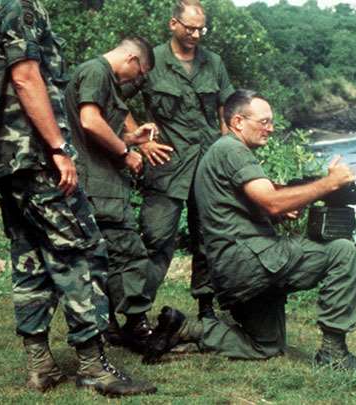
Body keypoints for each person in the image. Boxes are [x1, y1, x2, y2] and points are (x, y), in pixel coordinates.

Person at [0, 0, 155, 396]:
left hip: (3, 157)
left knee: (31, 257)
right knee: (83, 249)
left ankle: (41, 366)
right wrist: (56, 148)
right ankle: (92, 366)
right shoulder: (19, 6)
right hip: (32, 154)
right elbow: (26, 77)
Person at [180, 89, 356, 375]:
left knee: (266, 345)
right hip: (249, 262)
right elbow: (272, 202)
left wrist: (279, 208)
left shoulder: (221, 151)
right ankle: (334, 354)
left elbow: (238, 207)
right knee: (341, 251)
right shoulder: (232, 150)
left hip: (233, 269)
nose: (270, 129)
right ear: (238, 122)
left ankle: (190, 329)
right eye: (264, 121)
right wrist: (329, 184)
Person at [139, 0, 234, 319]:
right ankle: (134, 313)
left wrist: (227, 141)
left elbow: (227, 106)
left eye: (200, 28)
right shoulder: (151, 60)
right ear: (173, 24)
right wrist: (138, 141)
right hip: (167, 164)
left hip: (207, 164)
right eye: (190, 28)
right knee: (156, 238)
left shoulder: (213, 62)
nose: (196, 34)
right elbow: (113, 99)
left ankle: (206, 308)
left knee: (208, 237)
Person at [64, 37, 161, 350]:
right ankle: (138, 327)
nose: (135, 79)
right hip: (99, 186)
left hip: (99, 185)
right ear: (131, 58)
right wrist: (125, 153)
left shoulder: (96, 73)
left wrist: (131, 137)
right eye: (139, 71)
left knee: (100, 259)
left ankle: (107, 326)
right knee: (130, 253)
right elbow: (90, 122)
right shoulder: (96, 71)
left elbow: (98, 126)